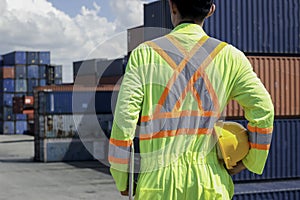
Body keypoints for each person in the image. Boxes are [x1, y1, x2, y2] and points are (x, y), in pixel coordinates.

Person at [108, 0, 274, 199]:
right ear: (211, 10)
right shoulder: (231, 57)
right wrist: (251, 160)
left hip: (157, 186)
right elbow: (264, 110)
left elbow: (123, 120)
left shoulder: (144, 55)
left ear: (172, 6)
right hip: (210, 185)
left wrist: (122, 177)